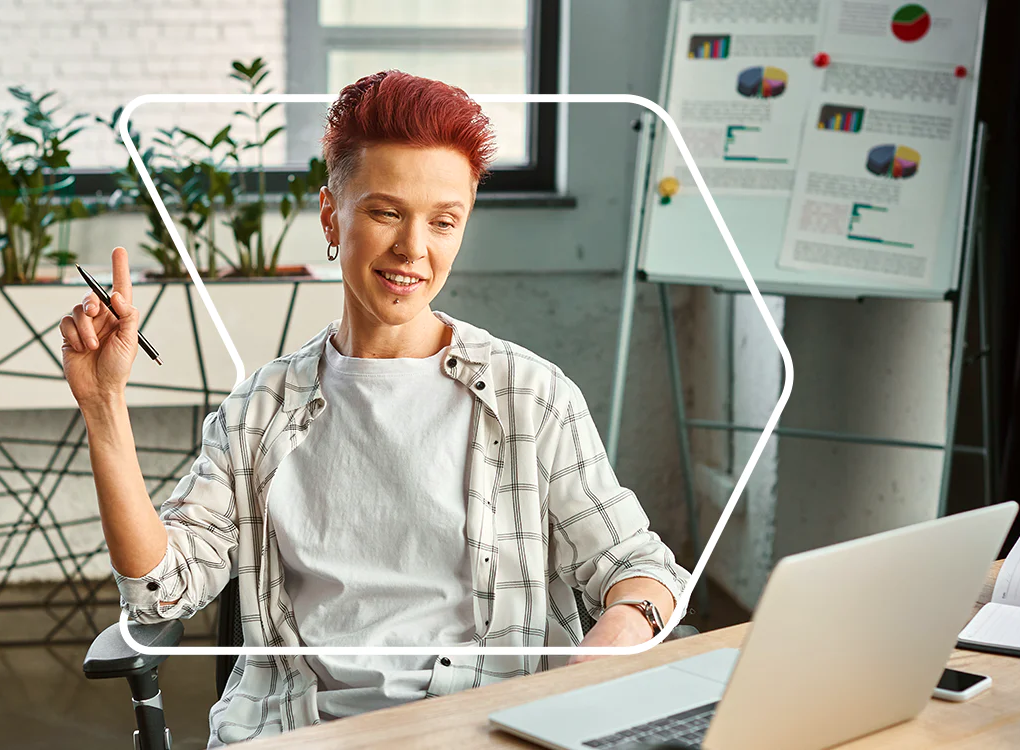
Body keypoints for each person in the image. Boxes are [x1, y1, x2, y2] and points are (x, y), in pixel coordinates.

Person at [59, 70, 690, 748]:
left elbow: (640, 571)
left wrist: (610, 641)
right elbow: (161, 593)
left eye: (443, 222)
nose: (413, 250)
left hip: (479, 727)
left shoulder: (528, 396)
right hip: (299, 731)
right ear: (332, 215)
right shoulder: (260, 412)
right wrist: (104, 406)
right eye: (386, 213)